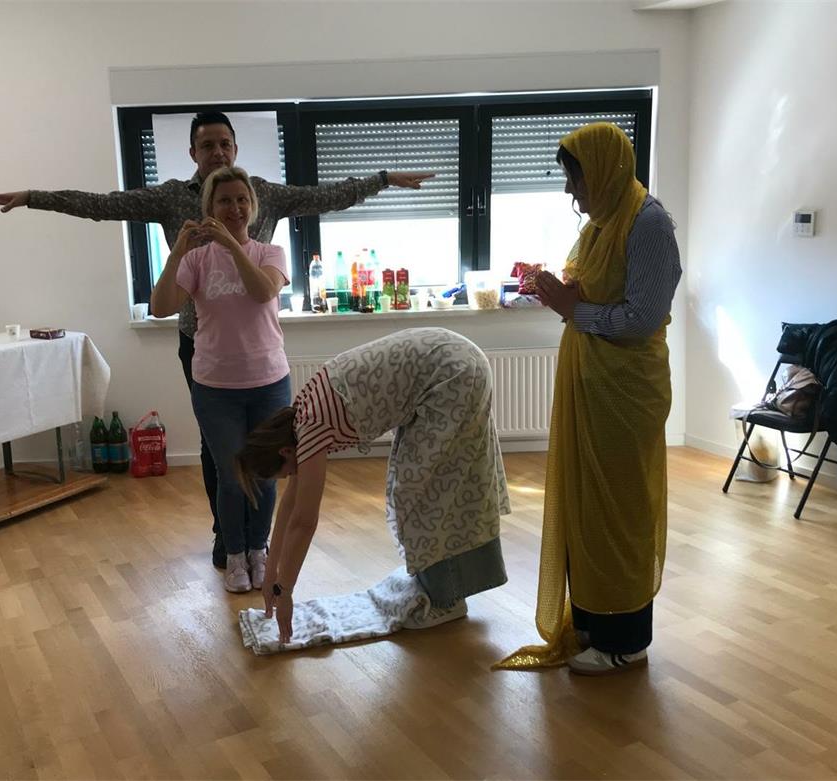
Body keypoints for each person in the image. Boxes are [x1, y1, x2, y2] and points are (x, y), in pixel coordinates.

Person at [0, 111, 433, 568]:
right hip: (201, 345)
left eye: (224, 144)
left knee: (264, 451)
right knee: (218, 454)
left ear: (235, 148)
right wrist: (33, 198)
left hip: (259, 350)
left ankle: (257, 543)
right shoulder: (172, 197)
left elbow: (324, 195)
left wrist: (383, 179)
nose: (217, 152)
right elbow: (103, 204)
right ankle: (227, 538)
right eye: (207, 145)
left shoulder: (261, 193)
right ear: (192, 152)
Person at [496, 122, 681, 676]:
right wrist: (565, 293)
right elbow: (600, 292)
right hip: (592, 385)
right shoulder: (603, 223)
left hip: (627, 392)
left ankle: (626, 641)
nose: (570, 192)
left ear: (603, 171)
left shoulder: (648, 224)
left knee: (619, 511)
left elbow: (642, 317)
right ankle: (594, 627)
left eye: (575, 179)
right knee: (587, 509)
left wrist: (575, 310)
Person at [233, 328, 510, 644]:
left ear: (285, 452)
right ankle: (440, 585)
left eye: (285, 472)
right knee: (415, 487)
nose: (291, 477)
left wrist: (286, 591)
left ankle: (446, 600)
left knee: (422, 493)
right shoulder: (301, 416)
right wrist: (272, 577)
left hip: (455, 373)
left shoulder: (310, 429)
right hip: (453, 360)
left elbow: (304, 520)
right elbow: (290, 506)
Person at [150, 166, 291, 593]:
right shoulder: (196, 261)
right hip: (215, 388)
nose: (234, 207)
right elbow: (160, 307)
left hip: (269, 382)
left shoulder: (270, 253)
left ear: (253, 206)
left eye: (241, 200)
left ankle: (258, 550)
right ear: (209, 207)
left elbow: (263, 292)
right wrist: (177, 253)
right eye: (224, 200)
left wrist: (231, 244)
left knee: (263, 473)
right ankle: (234, 555)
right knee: (231, 476)